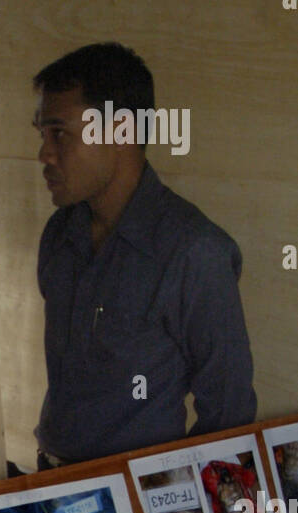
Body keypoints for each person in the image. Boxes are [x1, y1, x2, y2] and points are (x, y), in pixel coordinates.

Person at [32, 43, 256, 468]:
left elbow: (229, 416)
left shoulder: (193, 252)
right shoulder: (60, 235)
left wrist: (164, 499)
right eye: (41, 134)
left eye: (59, 133)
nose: (44, 153)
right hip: (51, 484)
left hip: (139, 503)